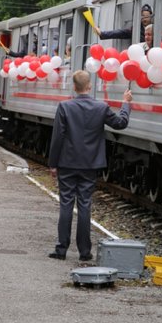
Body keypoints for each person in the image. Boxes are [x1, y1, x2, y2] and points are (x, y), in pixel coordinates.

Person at [47, 70, 132, 261]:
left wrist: (53, 164)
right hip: (90, 164)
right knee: (85, 205)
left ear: (74, 87)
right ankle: (84, 252)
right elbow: (120, 123)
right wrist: (126, 103)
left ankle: (61, 249)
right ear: (89, 86)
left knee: (66, 204)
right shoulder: (101, 107)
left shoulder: (64, 107)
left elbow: (57, 138)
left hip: (67, 163)